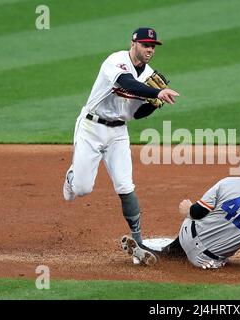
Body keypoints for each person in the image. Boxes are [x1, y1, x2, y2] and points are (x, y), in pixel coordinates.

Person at [63, 27, 179, 250]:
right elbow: (127, 83)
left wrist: (154, 106)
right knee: (82, 189)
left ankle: (138, 241)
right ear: (133, 43)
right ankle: (72, 176)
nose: (149, 50)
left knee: (126, 186)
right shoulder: (116, 60)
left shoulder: (149, 76)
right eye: (145, 45)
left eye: (152, 46)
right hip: (91, 127)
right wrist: (155, 94)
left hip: (118, 133)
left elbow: (134, 114)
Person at [123, 148, 240, 269]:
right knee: (210, 247)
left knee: (194, 218)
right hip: (205, 260)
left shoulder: (229, 182)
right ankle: (165, 254)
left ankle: (162, 252)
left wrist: (188, 210)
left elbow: (198, 212)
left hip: (188, 234)